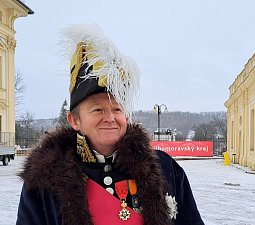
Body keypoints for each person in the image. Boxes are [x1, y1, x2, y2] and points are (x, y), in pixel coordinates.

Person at [16, 24, 205, 225]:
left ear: (127, 117)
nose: (110, 117)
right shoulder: (44, 179)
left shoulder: (165, 168)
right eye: (97, 109)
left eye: (117, 109)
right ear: (75, 121)